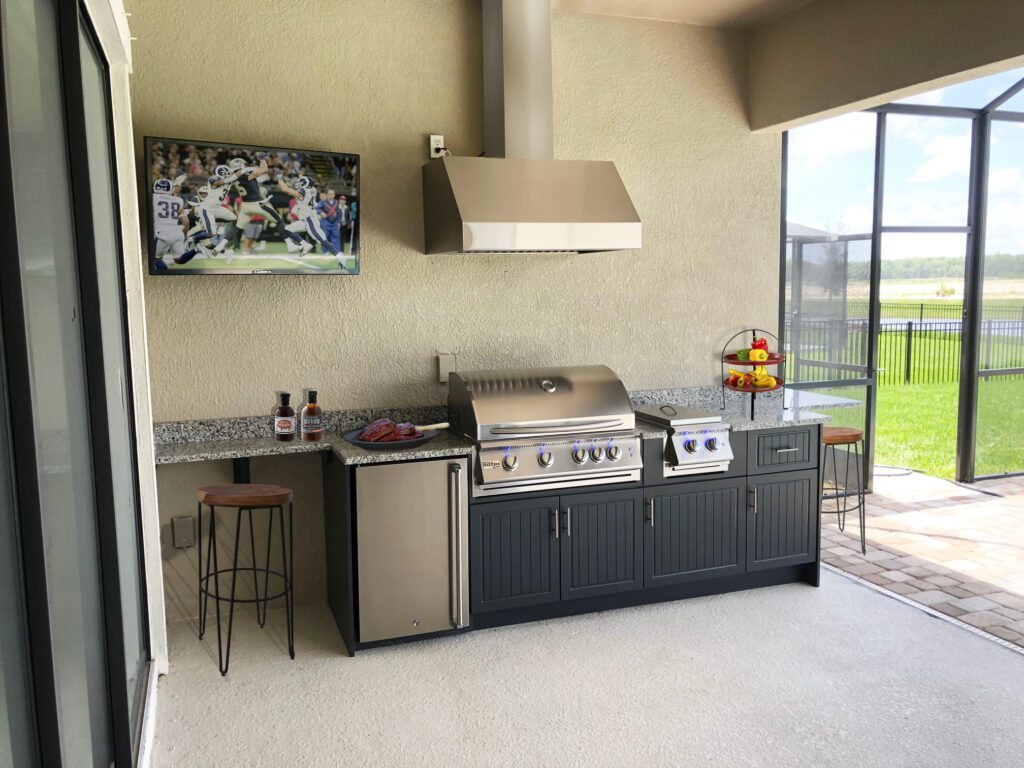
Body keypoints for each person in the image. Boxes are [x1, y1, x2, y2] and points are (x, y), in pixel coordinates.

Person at [278, 175, 343, 264]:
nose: (298, 184)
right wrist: (301, 176)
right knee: (288, 229)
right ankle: (305, 245)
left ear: (304, 184)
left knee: (322, 241)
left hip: (310, 221)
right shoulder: (313, 189)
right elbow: (306, 182)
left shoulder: (304, 191)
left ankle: (340, 256)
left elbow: (286, 190)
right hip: (305, 220)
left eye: (300, 182)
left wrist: (280, 179)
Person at [151, 177, 204, 267]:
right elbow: (186, 222)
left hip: (162, 233)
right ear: (170, 189)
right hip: (177, 232)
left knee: (156, 259)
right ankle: (196, 249)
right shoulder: (178, 200)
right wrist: (184, 236)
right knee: (179, 260)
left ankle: (164, 280)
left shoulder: (153, 198)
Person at [316, 188, 344, 255]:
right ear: (327, 195)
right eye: (329, 194)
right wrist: (321, 213)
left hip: (334, 223)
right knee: (325, 237)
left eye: (332, 194)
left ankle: (337, 252)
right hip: (325, 222)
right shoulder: (323, 202)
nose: (331, 195)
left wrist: (338, 221)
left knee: (336, 237)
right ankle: (325, 252)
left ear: (334, 195)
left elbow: (339, 212)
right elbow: (317, 208)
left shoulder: (337, 202)